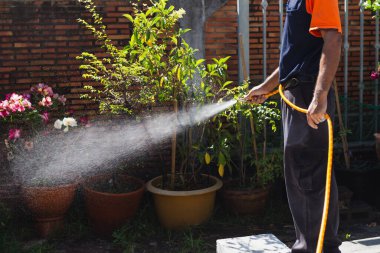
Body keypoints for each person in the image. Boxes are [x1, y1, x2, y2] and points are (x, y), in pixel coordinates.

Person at [244, 0, 342, 252]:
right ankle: (321, 246)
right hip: (297, 91)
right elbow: (295, 58)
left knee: (307, 173)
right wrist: (267, 87)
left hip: (307, 93)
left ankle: (314, 248)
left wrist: (319, 96)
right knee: (306, 174)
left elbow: (333, 40)